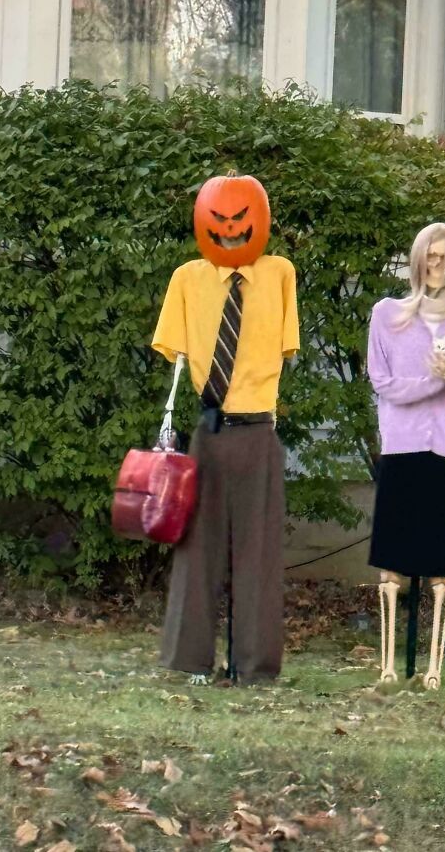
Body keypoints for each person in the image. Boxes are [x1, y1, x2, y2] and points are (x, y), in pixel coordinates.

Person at [152, 174, 299, 685]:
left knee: (258, 554)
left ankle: (253, 667)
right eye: (222, 219)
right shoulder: (187, 279)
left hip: (258, 430)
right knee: (198, 549)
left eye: (241, 219)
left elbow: (283, 347)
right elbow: (175, 357)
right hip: (209, 431)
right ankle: (192, 659)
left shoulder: (280, 274)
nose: (232, 228)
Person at [367, 222, 445, 688]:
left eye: (443, 257)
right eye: (428, 255)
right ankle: (386, 667)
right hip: (401, 446)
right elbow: (381, 381)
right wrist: (433, 382)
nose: (434, 265)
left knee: (440, 564)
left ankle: (434, 670)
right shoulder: (388, 315)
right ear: (417, 260)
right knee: (391, 561)